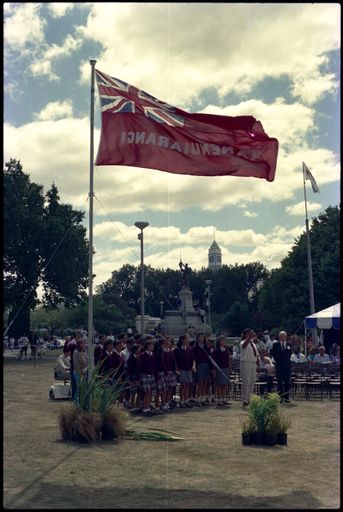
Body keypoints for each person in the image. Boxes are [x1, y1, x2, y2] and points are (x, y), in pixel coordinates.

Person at [270, 331, 292, 403]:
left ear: (286, 337)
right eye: (281, 336)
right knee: (280, 382)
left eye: (284, 336)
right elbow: (273, 353)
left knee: (287, 382)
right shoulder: (275, 344)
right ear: (279, 337)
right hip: (279, 366)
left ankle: (286, 397)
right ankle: (280, 397)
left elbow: (290, 354)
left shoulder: (289, 344)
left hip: (287, 366)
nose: (282, 337)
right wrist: (277, 360)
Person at [174, 334, 195, 408]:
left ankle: (186, 400)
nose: (186, 340)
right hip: (182, 369)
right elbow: (176, 360)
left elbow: (192, 358)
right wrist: (177, 369)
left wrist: (193, 366)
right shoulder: (177, 349)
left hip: (188, 369)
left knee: (187, 385)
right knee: (183, 385)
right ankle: (182, 400)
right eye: (185, 339)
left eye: (187, 339)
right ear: (182, 340)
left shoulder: (190, 348)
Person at [239, 328, 259, 408]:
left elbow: (256, 355)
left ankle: (249, 398)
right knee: (246, 381)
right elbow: (244, 346)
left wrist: (257, 365)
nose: (250, 335)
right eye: (248, 333)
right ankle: (245, 399)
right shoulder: (243, 342)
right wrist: (249, 338)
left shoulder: (253, 343)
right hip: (245, 363)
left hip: (253, 363)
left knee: (252, 381)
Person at [138, 338, 156, 417]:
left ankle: (148, 408)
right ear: (148, 345)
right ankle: (145, 409)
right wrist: (138, 378)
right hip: (144, 375)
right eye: (151, 345)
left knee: (150, 392)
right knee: (147, 392)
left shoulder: (152, 354)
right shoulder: (143, 355)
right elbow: (139, 367)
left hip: (151, 375)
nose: (153, 346)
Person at [212, 335, 231, 406]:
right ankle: (219, 399)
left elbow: (228, 358)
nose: (223, 342)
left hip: (226, 368)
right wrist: (214, 369)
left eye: (224, 340)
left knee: (224, 384)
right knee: (220, 384)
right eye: (222, 340)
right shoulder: (216, 350)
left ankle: (224, 398)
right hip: (219, 368)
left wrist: (229, 366)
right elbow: (213, 360)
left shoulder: (226, 349)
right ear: (219, 342)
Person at [193, 332, 212, 406]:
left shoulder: (206, 347)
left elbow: (209, 356)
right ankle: (198, 399)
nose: (201, 339)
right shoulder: (195, 347)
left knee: (205, 382)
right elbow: (195, 357)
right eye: (200, 337)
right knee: (200, 383)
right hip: (199, 365)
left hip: (206, 365)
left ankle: (203, 398)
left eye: (202, 337)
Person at [72, 337, 88, 403]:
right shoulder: (76, 352)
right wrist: (81, 371)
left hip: (84, 372)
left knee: (82, 388)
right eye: (83, 343)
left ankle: (80, 402)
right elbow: (76, 364)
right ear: (79, 344)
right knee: (79, 388)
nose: (84, 345)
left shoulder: (84, 352)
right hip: (78, 373)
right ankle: (75, 402)